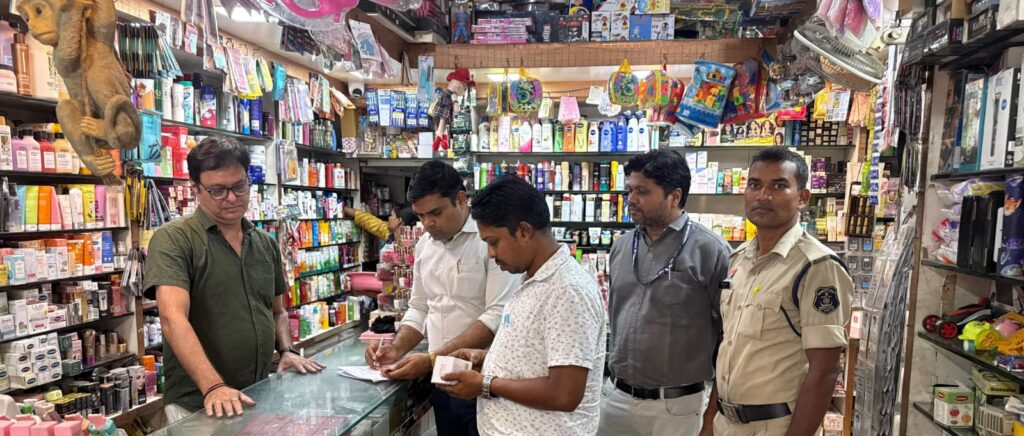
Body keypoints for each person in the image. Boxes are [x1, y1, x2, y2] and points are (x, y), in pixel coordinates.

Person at [143, 137, 325, 422]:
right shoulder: (174, 239)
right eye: (217, 190)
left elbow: (276, 311)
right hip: (199, 404)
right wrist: (213, 386)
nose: (231, 198)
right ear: (195, 188)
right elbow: (172, 318)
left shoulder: (265, 243)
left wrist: (286, 350)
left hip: (257, 395)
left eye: (239, 186)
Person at [438, 176, 606, 436]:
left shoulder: (567, 290)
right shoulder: (534, 279)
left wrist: (486, 384)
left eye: (494, 242)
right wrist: (489, 360)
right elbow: (538, 358)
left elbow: (564, 394)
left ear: (525, 231)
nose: (491, 254)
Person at [364, 160, 519, 436]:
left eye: (435, 213)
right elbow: (419, 308)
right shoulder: (424, 245)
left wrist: (431, 358)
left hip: (483, 382)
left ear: (460, 199)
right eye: (421, 215)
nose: (427, 223)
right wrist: (396, 348)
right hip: (441, 382)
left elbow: (497, 315)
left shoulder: (489, 240)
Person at [708, 148, 853, 435]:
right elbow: (729, 348)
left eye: (778, 186)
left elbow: (824, 371)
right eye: (755, 185)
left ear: (802, 197)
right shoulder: (739, 260)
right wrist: (709, 420)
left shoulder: (816, 266)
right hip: (724, 423)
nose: (763, 195)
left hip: (775, 426)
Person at [600, 149, 731, 436]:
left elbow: (730, 337)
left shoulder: (710, 250)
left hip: (676, 406)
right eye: (630, 190)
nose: (631, 199)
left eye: (643, 191)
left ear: (675, 196)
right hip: (616, 398)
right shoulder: (622, 246)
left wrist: (712, 414)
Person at [344, 204, 418, 241]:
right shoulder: (387, 232)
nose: (388, 218)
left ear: (399, 221)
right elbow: (366, 219)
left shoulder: (415, 244)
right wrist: (342, 208)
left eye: (391, 215)